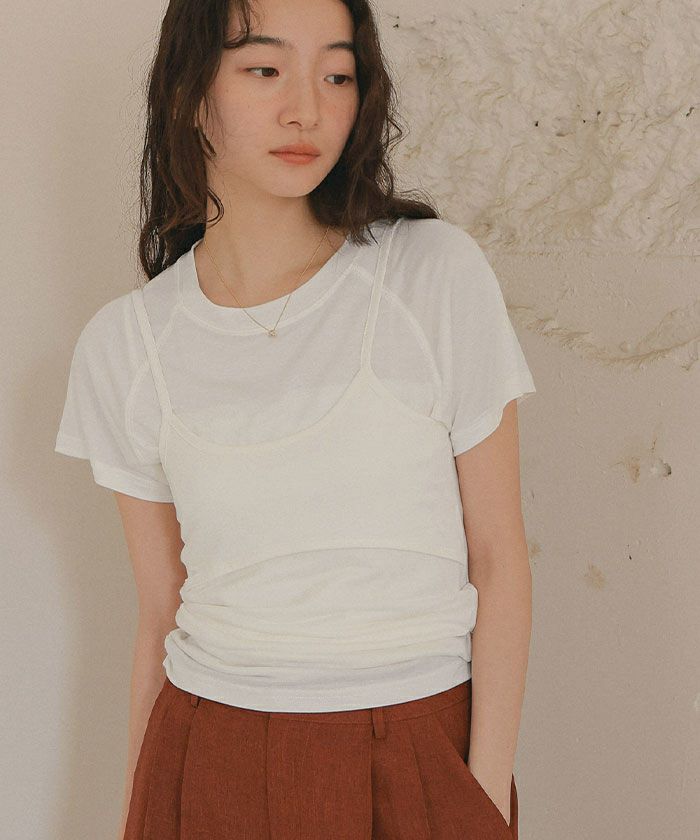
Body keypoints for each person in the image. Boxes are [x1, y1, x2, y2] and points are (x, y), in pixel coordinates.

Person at [54, 0, 537, 837]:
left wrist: (483, 798)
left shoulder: (431, 275)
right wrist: (140, 812)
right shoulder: (126, 345)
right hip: (210, 755)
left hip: (418, 743)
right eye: (266, 69)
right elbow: (162, 611)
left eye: (337, 75)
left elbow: (499, 559)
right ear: (188, 93)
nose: (307, 109)